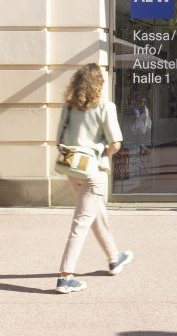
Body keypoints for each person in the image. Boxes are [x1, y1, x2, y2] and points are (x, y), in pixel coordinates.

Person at [55, 63, 133, 294]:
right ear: (99, 84)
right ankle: (65, 276)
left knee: (97, 214)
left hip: (72, 169)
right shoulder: (105, 107)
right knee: (81, 222)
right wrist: (102, 154)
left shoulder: (68, 108)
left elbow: (57, 139)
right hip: (93, 171)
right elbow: (115, 144)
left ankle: (114, 257)